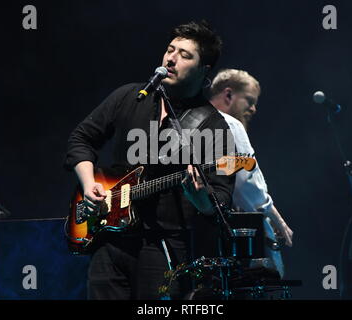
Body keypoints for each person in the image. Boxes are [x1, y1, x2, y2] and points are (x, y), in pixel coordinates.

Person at [64, 21, 235, 299]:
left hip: (163, 247)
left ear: (204, 70)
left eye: (185, 55)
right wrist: (87, 185)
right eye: (170, 49)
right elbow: (81, 139)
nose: (171, 58)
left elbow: (220, 199)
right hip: (109, 241)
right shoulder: (130, 97)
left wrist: (200, 197)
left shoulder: (213, 126)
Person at [208, 68, 293, 277]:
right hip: (236, 243)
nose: (254, 109)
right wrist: (273, 219)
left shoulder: (187, 121)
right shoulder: (229, 124)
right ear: (228, 94)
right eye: (249, 100)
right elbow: (247, 183)